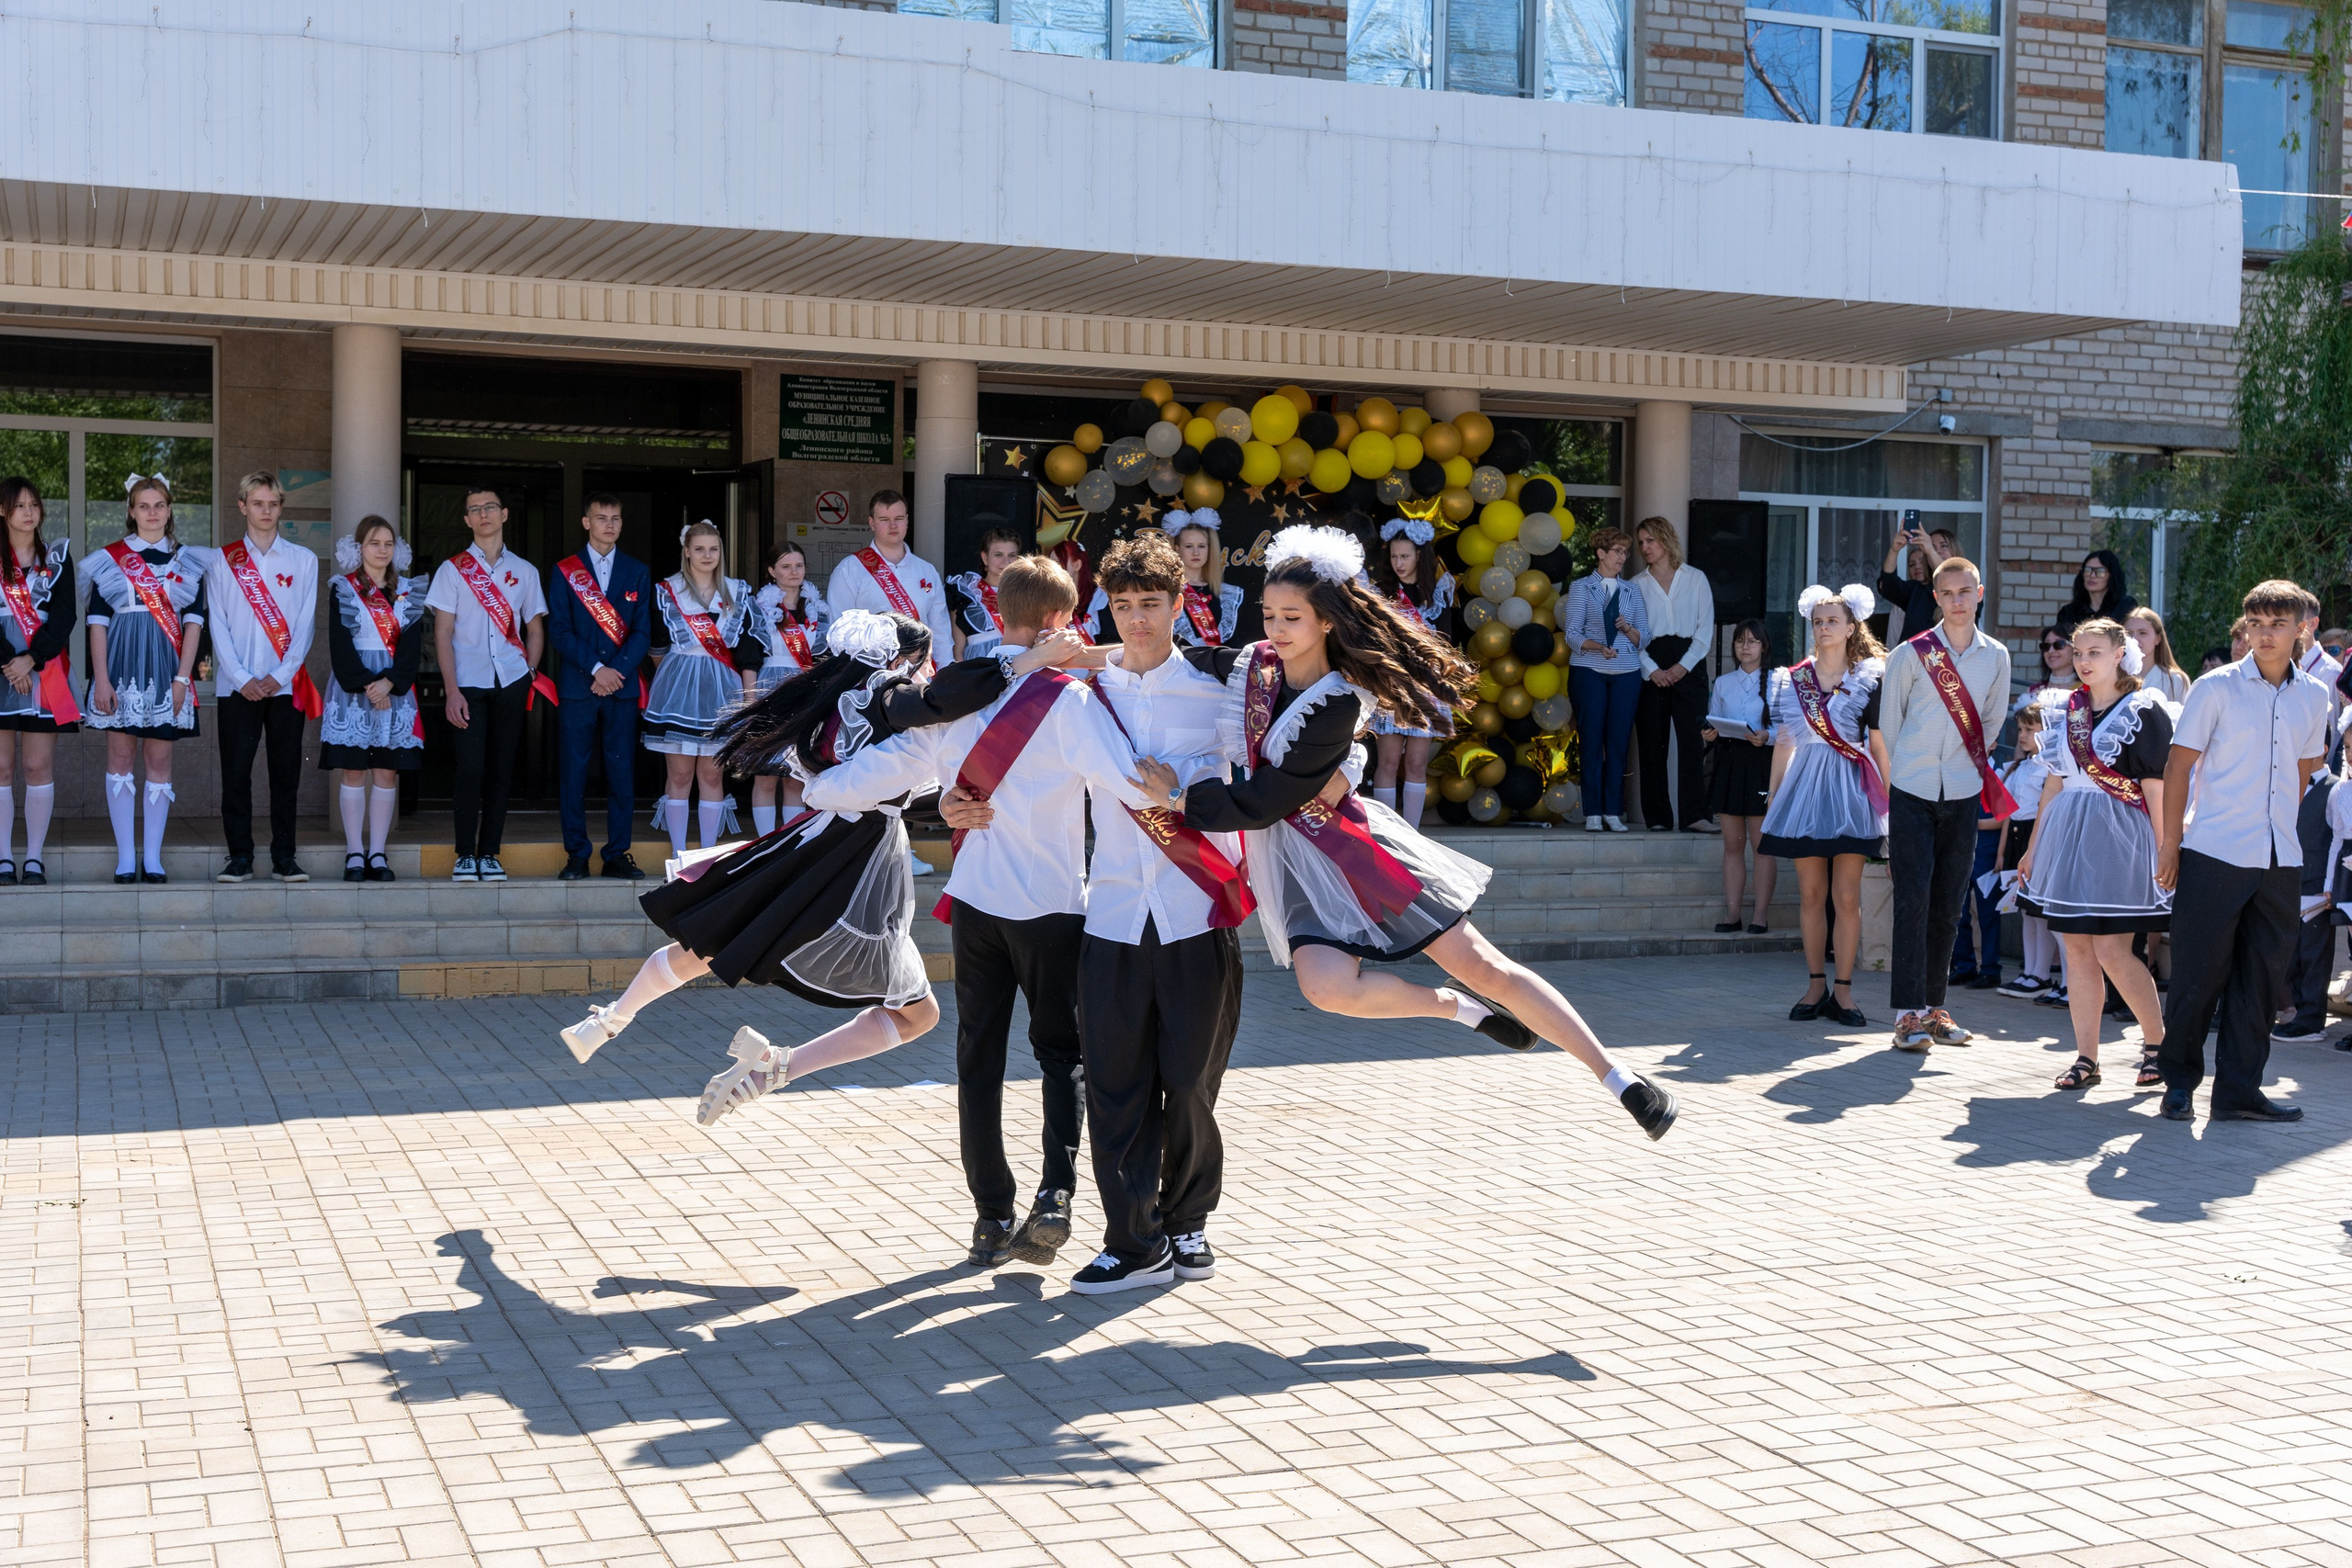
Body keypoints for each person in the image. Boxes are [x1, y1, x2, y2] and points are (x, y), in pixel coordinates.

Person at [1142, 525, 1679, 1146]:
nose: (1277, 627)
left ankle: (1618, 1076)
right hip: (1292, 864)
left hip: (1349, 849)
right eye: (1268, 613)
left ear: (1326, 621)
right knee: (1326, 988)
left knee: (1485, 965)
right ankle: (1455, 1008)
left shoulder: (1340, 700)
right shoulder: (1254, 667)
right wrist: (1070, 656)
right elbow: (1167, 658)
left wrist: (1179, 798)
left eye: (1292, 615)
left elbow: (1266, 799)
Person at [558, 613, 1085, 1110]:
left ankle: (612, 1019)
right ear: (899, 660)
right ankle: (774, 1069)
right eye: (923, 660)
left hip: (821, 839)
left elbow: (895, 783)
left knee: (715, 936)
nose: (928, 671)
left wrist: (940, 801)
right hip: (855, 855)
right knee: (916, 1014)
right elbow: (937, 704)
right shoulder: (887, 696)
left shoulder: (837, 705)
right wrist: (1025, 661)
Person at [797, 557, 1159, 1269]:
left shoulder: (952, 697)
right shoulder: (1073, 702)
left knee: (978, 1059)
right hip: (1055, 904)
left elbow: (862, 782)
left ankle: (991, 1215)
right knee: (1062, 1055)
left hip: (978, 905)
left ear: (998, 615)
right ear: (1062, 622)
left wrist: (816, 783)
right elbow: (1134, 785)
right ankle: (1055, 1194)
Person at [1048, 530, 1257, 1293]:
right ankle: (1133, 1239)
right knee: (1114, 1082)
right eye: (1125, 605)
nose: (1138, 619)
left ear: (1179, 604)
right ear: (1109, 605)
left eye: (1152, 604)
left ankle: (1188, 1219)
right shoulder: (1081, 700)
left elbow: (1260, 772)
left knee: (1192, 1080)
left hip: (1196, 912)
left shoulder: (1216, 691)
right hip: (1110, 918)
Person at [2155, 581, 2334, 1123]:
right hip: (2214, 851)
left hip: (2280, 860)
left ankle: (2238, 1091)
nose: (2263, 635)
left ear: (2301, 628)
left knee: (2261, 981)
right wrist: (2170, 843)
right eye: (2255, 624)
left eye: (2277, 624)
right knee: (2196, 976)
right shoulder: (2215, 688)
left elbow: (2304, 774)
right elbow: (2178, 767)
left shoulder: (2315, 696)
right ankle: (2179, 1085)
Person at [2014, 620, 2175, 1090]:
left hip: (2120, 836)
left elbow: (2155, 785)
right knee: (2077, 949)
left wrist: (2167, 849)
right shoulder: (2066, 711)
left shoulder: (2144, 710)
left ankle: (2156, 1045)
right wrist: (2034, 848)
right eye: (2078, 652)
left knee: (2112, 948)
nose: (2084, 661)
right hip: (2069, 834)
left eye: (2095, 652)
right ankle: (2087, 1058)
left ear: (2119, 653)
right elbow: (2054, 783)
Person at [1877, 556, 2013, 1053]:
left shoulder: (1996, 656)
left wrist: (1961, 767)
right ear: (1935, 598)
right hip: (1912, 788)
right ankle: (1905, 1015)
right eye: (1947, 593)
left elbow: (1994, 723)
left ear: (1980, 593)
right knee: (1912, 900)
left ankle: (1934, 1008)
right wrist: (1911, 770)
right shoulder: (1911, 654)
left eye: (1965, 591)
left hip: (1962, 788)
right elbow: (1891, 726)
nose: (1957, 601)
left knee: (1950, 904)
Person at [1758, 584, 1890, 1030]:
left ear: (1852, 627)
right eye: (1818, 621)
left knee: (1847, 895)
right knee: (1811, 894)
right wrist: (1775, 798)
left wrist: (1892, 804)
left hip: (1852, 788)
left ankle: (1846, 991)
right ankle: (1816, 986)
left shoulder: (1872, 676)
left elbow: (1878, 743)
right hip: (1805, 790)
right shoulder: (1793, 679)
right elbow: (1784, 742)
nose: (1824, 627)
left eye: (1833, 620)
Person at [426, 482, 553, 884]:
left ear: (504, 514)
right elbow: (442, 633)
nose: (483, 514)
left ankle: (490, 853)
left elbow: (535, 628)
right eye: (475, 509)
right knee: (469, 769)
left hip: (510, 682)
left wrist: (529, 670)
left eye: (490, 507)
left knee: (501, 770)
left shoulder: (525, 571)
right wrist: (451, 691)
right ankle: (465, 854)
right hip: (466, 683)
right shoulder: (452, 570)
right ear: (467, 520)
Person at [84, 474, 206, 884]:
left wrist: (182, 680)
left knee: (159, 761)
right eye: (143, 506)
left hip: (167, 669)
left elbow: (193, 624)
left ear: (169, 511)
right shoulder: (111, 558)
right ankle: (125, 857)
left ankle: (152, 857)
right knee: (119, 760)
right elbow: (97, 623)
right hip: (119, 667)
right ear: (131, 512)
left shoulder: (187, 559)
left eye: (159, 505)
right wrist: (100, 679)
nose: (151, 513)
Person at [827, 489, 953, 877]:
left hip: (918, 682)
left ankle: (902, 849)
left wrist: (946, 675)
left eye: (899, 518)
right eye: (884, 519)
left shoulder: (925, 572)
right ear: (871, 522)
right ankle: (869, 849)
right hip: (869, 689)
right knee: (875, 765)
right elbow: (838, 632)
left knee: (915, 765)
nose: (893, 525)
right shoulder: (851, 570)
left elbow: (941, 629)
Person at [203, 471, 321, 884]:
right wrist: (238, 676)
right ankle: (240, 857)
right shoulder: (222, 560)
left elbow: (305, 625)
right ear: (242, 506)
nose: (266, 511)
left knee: (285, 774)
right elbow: (216, 623)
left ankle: (284, 857)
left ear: (281, 508)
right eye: (258, 503)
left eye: (273, 504)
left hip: (284, 686)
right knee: (235, 774)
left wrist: (280, 674)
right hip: (237, 687)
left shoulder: (304, 561)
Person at [548, 491, 653, 883]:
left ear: (622, 523)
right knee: (573, 773)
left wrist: (616, 671)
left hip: (621, 688)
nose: (609, 524)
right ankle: (577, 854)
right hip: (579, 685)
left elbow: (642, 631)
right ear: (586, 522)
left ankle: (616, 853)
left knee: (621, 773)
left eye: (616, 518)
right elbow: (559, 628)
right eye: (601, 517)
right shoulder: (564, 571)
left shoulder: (637, 570)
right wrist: (596, 668)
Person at [319, 517, 427, 883]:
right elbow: (340, 645)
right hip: (355, 689)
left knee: (386, 770)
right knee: (353, 770)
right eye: (373, 543)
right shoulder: (343, 589)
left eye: (388, 543)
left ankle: (378, 853)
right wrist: (369, 685)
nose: (382, 550)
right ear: (359, 548)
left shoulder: (410, 592)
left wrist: (391, 684)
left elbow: (412, 650)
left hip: (394, 690)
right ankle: (354, 853)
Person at [642, 521, 756, 862]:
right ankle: (678, 856)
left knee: (712, 773)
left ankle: (707, 857)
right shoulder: (668, 590)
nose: (708, 555)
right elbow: (657, 644)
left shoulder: (737, 591)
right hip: (678, 687)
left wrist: (747, 699)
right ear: (687, 552)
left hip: (723, 690)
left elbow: (748, 648)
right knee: (679, 774)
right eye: (700, 549)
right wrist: (677, 683)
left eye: (714, 549)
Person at [0, 477, 74, 886]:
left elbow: (65, 616)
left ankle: (33, 858)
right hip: (2, 669)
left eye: (34, 505)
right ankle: (2, 857)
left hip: (44, 669)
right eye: (19, 505)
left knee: (36, 763)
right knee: (2, 766)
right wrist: (9, 663)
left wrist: (30, 659)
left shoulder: (58, 557)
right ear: (3, 511)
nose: (29, 512)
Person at [1631, 515, 1717, 834]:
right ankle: (1657, 818)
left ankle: (1695, 815)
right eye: (1641, 543)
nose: (1645, 547)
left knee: (1693, 744)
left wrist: (1683, 666)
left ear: (1666, 539)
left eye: (1650, 540)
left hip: (1689, 666)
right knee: (1653, 745)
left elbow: (1704, 631)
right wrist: (1652, 670)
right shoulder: (1637, 584)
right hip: (1651, 665)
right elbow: (1632, 636)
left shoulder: (1695, 579)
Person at [1368, 516, 1455, 829]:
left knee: (1417, 764)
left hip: (1426, 685)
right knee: (1388, 762)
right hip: (1391, 684)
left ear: (1420, 554)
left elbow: (1445, 641)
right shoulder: (1380, 591)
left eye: (1404, 556)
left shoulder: (1439, 589)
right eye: (1393, 556)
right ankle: (1387, 837)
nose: (1398, 563)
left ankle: (1413, 837)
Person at [1561, 526, 1648, 832]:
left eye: (1625, 552)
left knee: (1619, 743)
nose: (1623, 557)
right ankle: (1593, 812)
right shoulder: (1583, 587)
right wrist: (1598, 647)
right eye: (1617, 551)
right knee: (1592, 741)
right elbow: (1572, 635)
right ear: (1601, 553)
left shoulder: (1632, 591)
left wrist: (1626, 628)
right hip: (1589, 672)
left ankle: (1614, 810)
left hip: (1626, 673)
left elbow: (1644, 637)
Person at [747, 539, 827, 833]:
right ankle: (766, 843)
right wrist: (751, 704)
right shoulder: (759, 608)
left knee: (796, 775)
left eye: (799, 566)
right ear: (772, 571)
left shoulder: (819, 608)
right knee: (766, 774)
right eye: (785, 566)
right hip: (770, 692)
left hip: (805, 693)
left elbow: (823, 659)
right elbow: (749, 659)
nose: (794, 572)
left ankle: (789, 844)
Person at [1702, 618, 1775, 933]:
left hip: (1761, 762)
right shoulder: (1722, 682)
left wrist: (1766, 736)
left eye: (1752, 641)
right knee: (1732, 842)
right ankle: (1733, 913)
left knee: (1761, 843)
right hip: (1730, 761)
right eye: (1740, 641)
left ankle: (1760, 915)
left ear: (1764, 647)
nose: (1745, 647)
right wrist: (1710, 734)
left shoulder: (1776, 681)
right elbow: (1714, 719)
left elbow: (1787, 727)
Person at [2274, 741, 2345, 1046]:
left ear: (2323, 747)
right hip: (2288, 882)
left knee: (2313, 955)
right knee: (2293, 954)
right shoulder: (2289, 783)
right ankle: (2297, 1013)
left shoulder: (2336, 789)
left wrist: (2331, 885)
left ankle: (2312, 1020)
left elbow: (2338, 839)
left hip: (2317, 886)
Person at [1994, 701, 2059, 999]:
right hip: (2019, 835)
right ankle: (2029, 971)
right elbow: (2011, 810)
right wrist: (2001, 852)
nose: (2022, 735)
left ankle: (2042, 974)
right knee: (2024, 911)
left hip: (2038, 834)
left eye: (2030, 729)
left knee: (2039, 911)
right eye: (2020, 729)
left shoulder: (2050, 766)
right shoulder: (2021, 765)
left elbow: (2047, 807)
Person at [1167, 509, 1243, 649]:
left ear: (1209, 549)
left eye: (1201, 546)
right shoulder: (1168, 591)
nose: (1196, 552)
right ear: (1177, 549)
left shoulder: (1225, 594)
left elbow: (1233, 644)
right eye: (1189, 546)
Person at [946, 525, 1022, 660]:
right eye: (998, 555)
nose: (1006, 561)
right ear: (985, 558)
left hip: (1019, 665)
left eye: (1012, 555)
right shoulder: (965, 594)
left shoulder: (1027, 594)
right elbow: (958, 651)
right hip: (978, 670)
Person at [1875, 522, 1952, 637]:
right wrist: (1894, 550)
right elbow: (1887, 585)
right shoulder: (1916, 590)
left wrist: (1930, 551)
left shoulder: (1968, 584)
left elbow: (1951, 579)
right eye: (1932, 546)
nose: (1937, 551)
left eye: (1943, 546)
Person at [2052, 548, 2135, 637]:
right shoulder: (2069, 612)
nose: (2092, 576)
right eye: (2088, 570)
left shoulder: (2125, 606)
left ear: (2112, 576)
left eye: (2100, 571)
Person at [2124, 608, 2190, 705]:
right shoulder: (2114, 677)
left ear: (2158, 638)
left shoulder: (2174, 680)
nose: (2135, 639)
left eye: (2142, 633)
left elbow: (2182, 718)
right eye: (2129, 633)